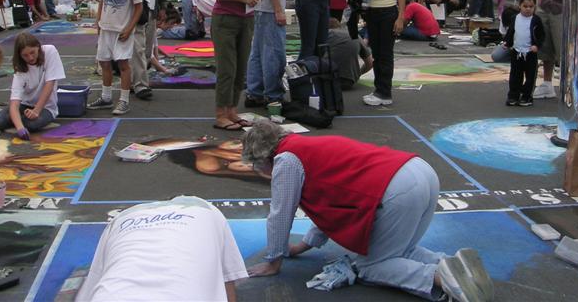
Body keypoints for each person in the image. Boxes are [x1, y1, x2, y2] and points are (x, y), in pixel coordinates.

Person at [242, 122, 493, 302]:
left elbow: (280, 214)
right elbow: (332, 207)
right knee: (399, 249)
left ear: (263, 157)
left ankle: (440, 278)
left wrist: (274, 261)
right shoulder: (305, 147)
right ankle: (450, 263)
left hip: (398, 190)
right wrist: (304, 246)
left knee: (372, 266)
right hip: (419, 171)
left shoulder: (286, 160)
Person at [75, 196, 247, 302]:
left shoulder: (120, 219)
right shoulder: (208, 211)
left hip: (116, 295)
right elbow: (228, 277)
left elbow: (94, 280)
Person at [208, 0, 262, 130]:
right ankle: (220, 113)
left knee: (241, 69)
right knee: (227, 68)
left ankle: (232, 109)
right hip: (225, 20)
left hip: (246, 19)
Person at [0, 34, 64, 138]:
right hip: (25, 104)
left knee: (32, 124)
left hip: (46, 107)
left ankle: (4, 115)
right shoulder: (20, 68)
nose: (30, 57)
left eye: (32, 52)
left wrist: (36, 111)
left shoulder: (50, 51)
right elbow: (15, 103)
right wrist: (20, 128)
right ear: (20, 55)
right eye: (25, 55)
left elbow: (49, 84)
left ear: (38, 47)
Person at [88, 0, 143, 115]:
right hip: (106, 27)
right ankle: (106, 97)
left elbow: (138, 7)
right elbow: (102, 0)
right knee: (104, 62)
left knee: (123, 65)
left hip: (122, 30)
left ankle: (124, 100)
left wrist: (129, 28)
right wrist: (98, 21)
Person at [361, 0, 406, 107]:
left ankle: (385, 92)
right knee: (377, 53)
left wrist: (401, 17)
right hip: (371, 12)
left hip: (388, 13)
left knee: (386, 54)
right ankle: (378, 89)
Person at [503, 0, 545, 107]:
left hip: (530, 53)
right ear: (519, 6)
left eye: (531, 7)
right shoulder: (515, 18)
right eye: (525, 6)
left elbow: (541, 35)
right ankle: (513, 95)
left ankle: (526, 96)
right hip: (517, 52)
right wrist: (507, 42)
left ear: (535, 7)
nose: (528, 9)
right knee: (515, 75)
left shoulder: (536, 20)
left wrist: (537, 45)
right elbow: (511, 32)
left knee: (530, 76)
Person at [327, 18, 373, 90]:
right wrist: (358, 74)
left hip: (327, 81)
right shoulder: (354, 34)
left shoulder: (325, 35)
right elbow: (370, 63)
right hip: (348, 82)